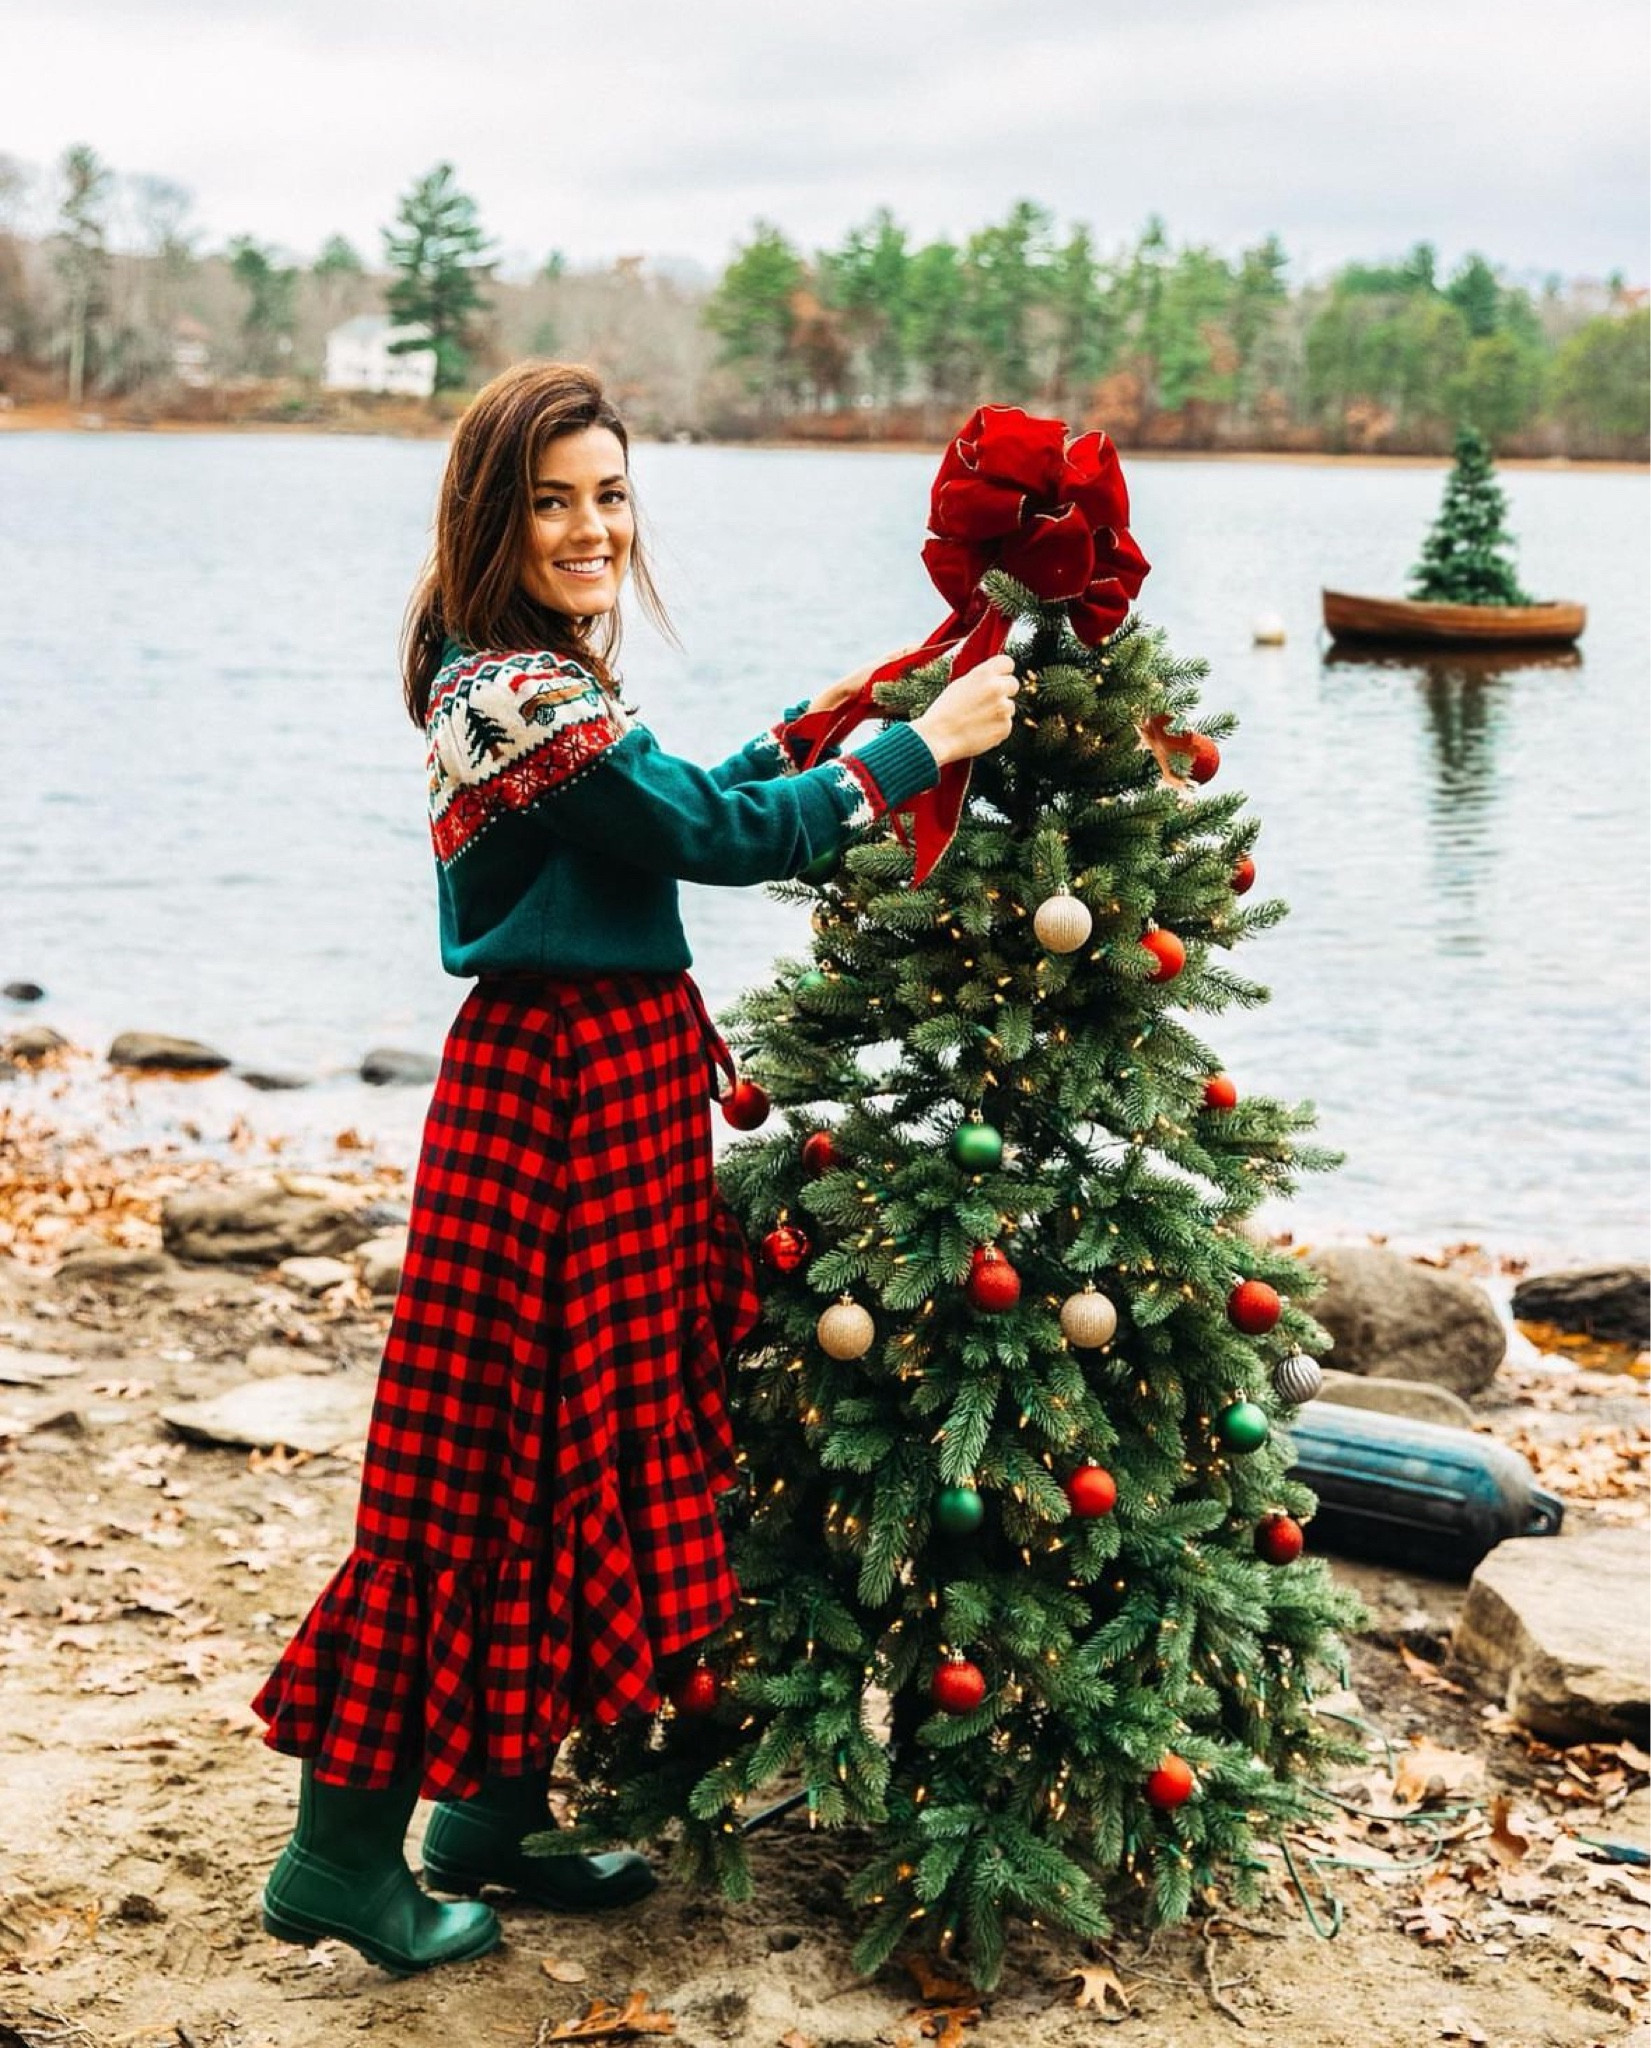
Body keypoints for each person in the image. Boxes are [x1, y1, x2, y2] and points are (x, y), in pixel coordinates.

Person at [250, 360, 1020, 1975]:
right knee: (468, 1465)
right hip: (547, 1110)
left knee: (571, 1443)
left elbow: (681, 803)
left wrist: (836, 730)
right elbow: (721, 842)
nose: (593, 527)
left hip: (613, 1096)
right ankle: (337, 1862)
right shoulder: (509, 697)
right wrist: (914, 754)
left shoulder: (542, 682)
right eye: (552, 501)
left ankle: (489, 1814)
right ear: (490, 516)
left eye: (610, 495)